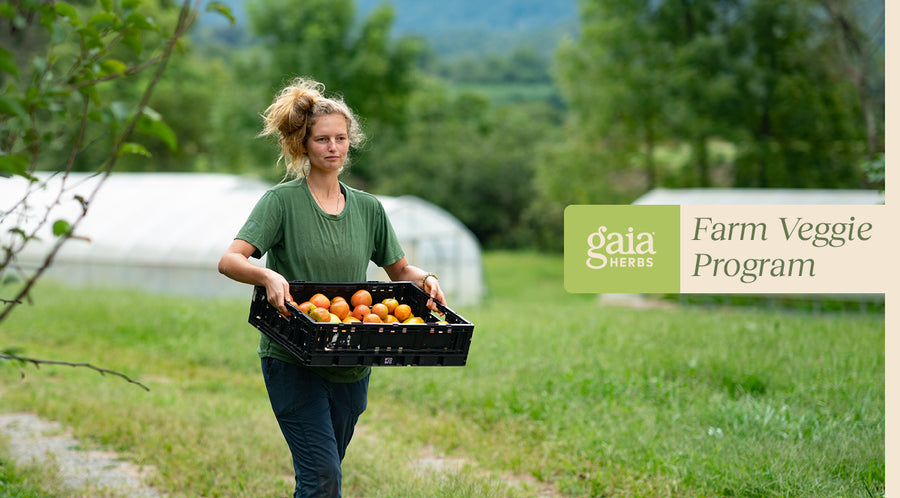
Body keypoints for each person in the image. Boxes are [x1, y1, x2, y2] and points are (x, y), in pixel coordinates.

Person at [217, 77, 446, 497]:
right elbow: (230, 259)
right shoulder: (281, 202)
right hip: (292, 356)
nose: (333, 147)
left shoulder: (368, 208)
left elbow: (400, 271)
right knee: (322, 478)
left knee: (320, 475)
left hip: (351, 359)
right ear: (303, 145)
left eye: (341, 138)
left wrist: (426, 278)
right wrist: (267, 275)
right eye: (322, 139)